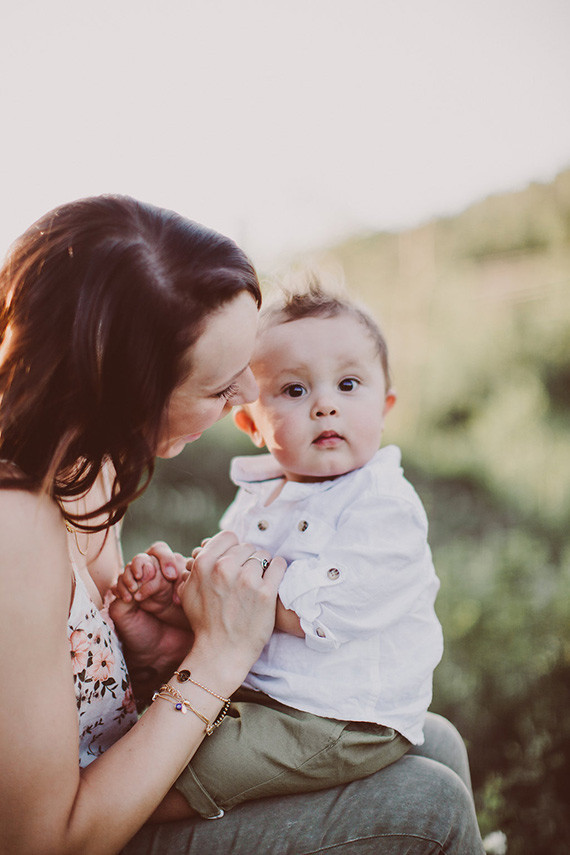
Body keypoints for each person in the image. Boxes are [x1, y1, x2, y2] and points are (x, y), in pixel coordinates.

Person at [0, 196, 485, 855]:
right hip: (82, 832)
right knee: (430, 808)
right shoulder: (14, 529)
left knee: (436, 739)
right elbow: (39, 841)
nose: (244, 402)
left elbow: (88, 688)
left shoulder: (91, 470)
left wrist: (154, 639)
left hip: (117, 768)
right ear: (131, 385)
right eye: (221, 386)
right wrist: (220, 654)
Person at [116, 278, 445, 820]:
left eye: (348, 384)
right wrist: (187, 590)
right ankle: (162, 658)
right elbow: (236, 604)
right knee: (168, 727)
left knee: (206, 761)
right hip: (272, 692)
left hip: (336, 717)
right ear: (250, 422)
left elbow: (335, 608)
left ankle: (132, 819)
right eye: (295, 391)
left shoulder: (384, 506)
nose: (324, 407)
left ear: (385, 406)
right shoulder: (261, 496)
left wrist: (221, 590)